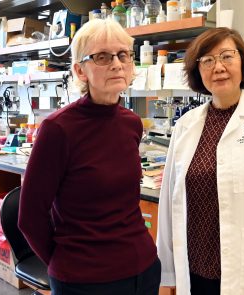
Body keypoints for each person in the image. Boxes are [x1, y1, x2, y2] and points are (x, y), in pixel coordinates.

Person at [19, 18, 161, 295]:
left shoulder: (131, 123)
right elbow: (30, 217)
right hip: (85, 280)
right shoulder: (58, 129)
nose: (117, 64)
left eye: (123, 55)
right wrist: (65, 265)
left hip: (143, 269)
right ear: (80, 70)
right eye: (103, 57)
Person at [156, 27, 244, 295]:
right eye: (207, 60)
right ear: (198, 71)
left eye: (226, 57)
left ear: (242, 63)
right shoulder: (185, 126)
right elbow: (168, 205)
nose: (218, 67)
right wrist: (167, 276)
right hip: (193, 272)